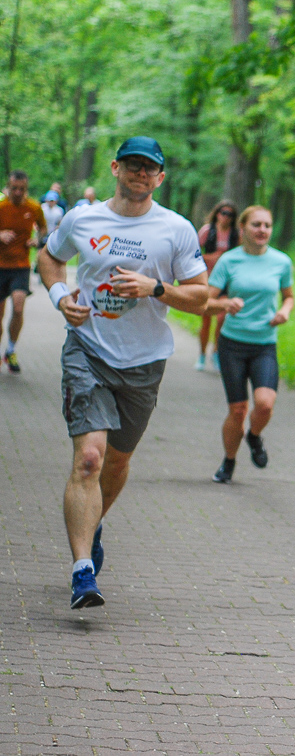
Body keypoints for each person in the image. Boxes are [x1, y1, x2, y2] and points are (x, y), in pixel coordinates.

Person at [38, 136, 209, 610]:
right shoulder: (82, 218)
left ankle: (92, 527)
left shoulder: (175, 229)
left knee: (115, 462)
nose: (140, 173)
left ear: (160, 177)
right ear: (115, 167)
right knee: (88, 460)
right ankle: (81, 572)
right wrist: (58, 298)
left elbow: (202, 298)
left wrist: (155, 288)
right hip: (88, 350)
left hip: (144, 362)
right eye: (132, 165)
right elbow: (50, 258)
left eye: (149, 168)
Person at [206, 205, 294, 484]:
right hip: (232, 344)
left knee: (265, 404)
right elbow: (206, 300)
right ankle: (228, 462)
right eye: (256, 225)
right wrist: (225, 303)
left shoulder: (281, 262)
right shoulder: (229, 261)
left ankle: (254, 437)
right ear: (242, 229)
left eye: (267, 225)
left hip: (264, 344)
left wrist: (285, 311)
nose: (262, 230)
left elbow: (289, 296)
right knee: (238, 410)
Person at [0, 170, 47, 373]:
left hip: (21, 266)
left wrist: (37, 240)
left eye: (22, 189)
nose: (18, 192)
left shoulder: (34, 207)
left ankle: (11, 349)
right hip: (0, 266)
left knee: (18, 308)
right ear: (8, 187)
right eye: (14, 188)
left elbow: (43, 229)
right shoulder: (1, 207)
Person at [194, 200, 239, 371]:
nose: (226, 217)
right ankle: (201, 354)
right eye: (223, 212)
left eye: (230, 214)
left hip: (227, 282)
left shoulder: (236, 234)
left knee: (222, 318)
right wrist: (213, 258)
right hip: (209, 280)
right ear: (217, 213)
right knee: (206, 319)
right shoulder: (207, 232)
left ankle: (216, 352)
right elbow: (193, 255)